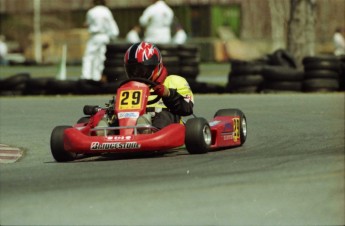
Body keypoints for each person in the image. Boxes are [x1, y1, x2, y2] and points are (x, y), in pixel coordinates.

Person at [124, 41, 194, 129]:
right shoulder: (128, 88)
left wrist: (168, 94)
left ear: (155, 66)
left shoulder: (174, 81)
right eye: (133, 70)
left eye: (141, 70)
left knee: (164, 115)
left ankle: (148, 131)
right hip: (131, 124)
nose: (136, 74)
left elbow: (187, 108)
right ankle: (107, 133)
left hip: (167, 127)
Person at [81, 0, 119, 81]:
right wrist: (113, 35)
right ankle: (97, 77)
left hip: (95, 36)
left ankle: (86, 76)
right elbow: (112, 25)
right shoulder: (107, 11)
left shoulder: (91, 12)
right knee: (100, 57)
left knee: (88, 56)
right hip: (105, 36)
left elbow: (87, 24)